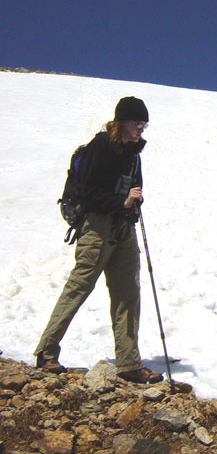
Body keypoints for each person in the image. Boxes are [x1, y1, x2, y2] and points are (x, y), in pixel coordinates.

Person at [33, 96, 163, 384]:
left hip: (124, 229)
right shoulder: (100, 147)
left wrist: (133, 202)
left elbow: (134, 190)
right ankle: (46, 352)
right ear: (122, 122)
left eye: (144, 124)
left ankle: (129, 363)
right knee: (78, 288)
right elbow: (90, 194)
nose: (141, 129)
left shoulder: (134, 155)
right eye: (137, 123)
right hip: (98, 228)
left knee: (128, 294)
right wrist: (123, 200)